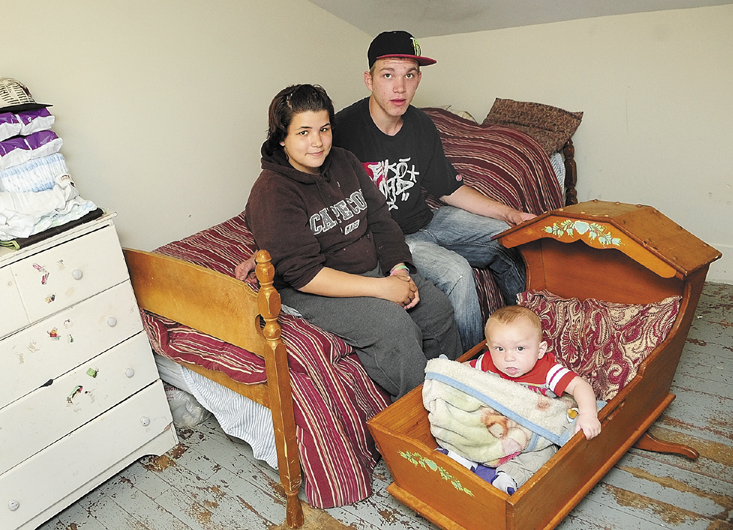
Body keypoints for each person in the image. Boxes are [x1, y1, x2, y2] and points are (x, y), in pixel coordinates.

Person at [244, 83, 462, 400]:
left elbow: (379, 219)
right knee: (395, 327)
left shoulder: (344, 161)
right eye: (303, 132)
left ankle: (456, 394)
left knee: (436, 309)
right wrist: (381, 289)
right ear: (282, 137)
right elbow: (303, 274)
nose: (317, 142)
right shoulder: (272, 192)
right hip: (314, 288)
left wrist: (399, 271)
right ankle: (420, 418)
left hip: (368, 266)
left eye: (324, 129)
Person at [333, 30, 536, 352]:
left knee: (507, 237)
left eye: (409, 75)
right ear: (369, 80)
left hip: (429, 220)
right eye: (388, 75)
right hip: (392, 240)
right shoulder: (342, 130)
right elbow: (302, 186)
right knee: (457, 273)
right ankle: (468, 372)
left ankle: (527, 335)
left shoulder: (422, 125)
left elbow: (449, 188)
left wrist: (508, 213)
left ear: (418, 79)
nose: (399, 87)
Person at [466, 305, 601, 493]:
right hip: (498, 426)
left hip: (533, 432)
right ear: (488, 348)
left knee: (548, 449)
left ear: (540, 350)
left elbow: (580, 386)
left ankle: (510, 476)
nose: (509, 357)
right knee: (470, 425)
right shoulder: (488, 362)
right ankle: (464, 457)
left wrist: (588, 414)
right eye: (499, 348)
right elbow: (461, 374)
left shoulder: (547, 371)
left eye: (520, 348)